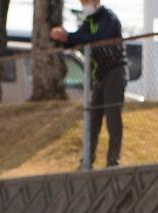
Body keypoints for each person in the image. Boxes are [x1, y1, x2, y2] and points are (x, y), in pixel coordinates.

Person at [51, 1, 127, 168]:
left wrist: (71, 37)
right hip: (99, 75)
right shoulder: (89, 21)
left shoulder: (109, 18)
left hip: (115, 71)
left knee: (113, 116)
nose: (84, 5)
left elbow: (98, 37)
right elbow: (77, 39)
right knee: (93, 119)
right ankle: (87, 160)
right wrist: (63, 37)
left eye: (87, 1)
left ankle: (113, 160)